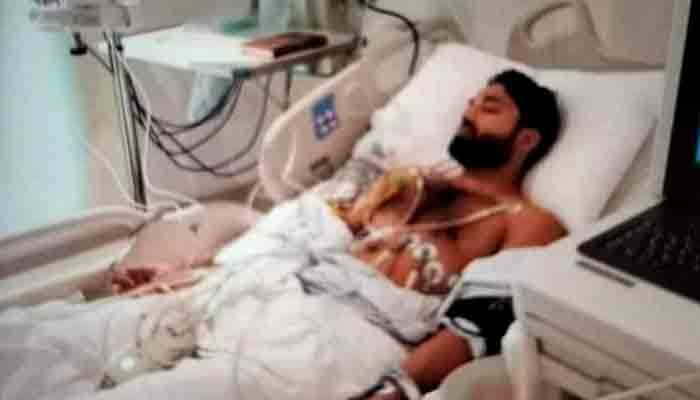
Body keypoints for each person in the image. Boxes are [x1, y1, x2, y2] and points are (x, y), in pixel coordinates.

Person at [336, 69, 567, 399]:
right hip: (295, 300)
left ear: (526, 140)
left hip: (363, 358)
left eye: (489, 108)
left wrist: (391, 392)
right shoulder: (408, 180)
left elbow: (476, 326)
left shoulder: (529, 223)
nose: (469, 113)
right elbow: (326, 229)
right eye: (471, 104)